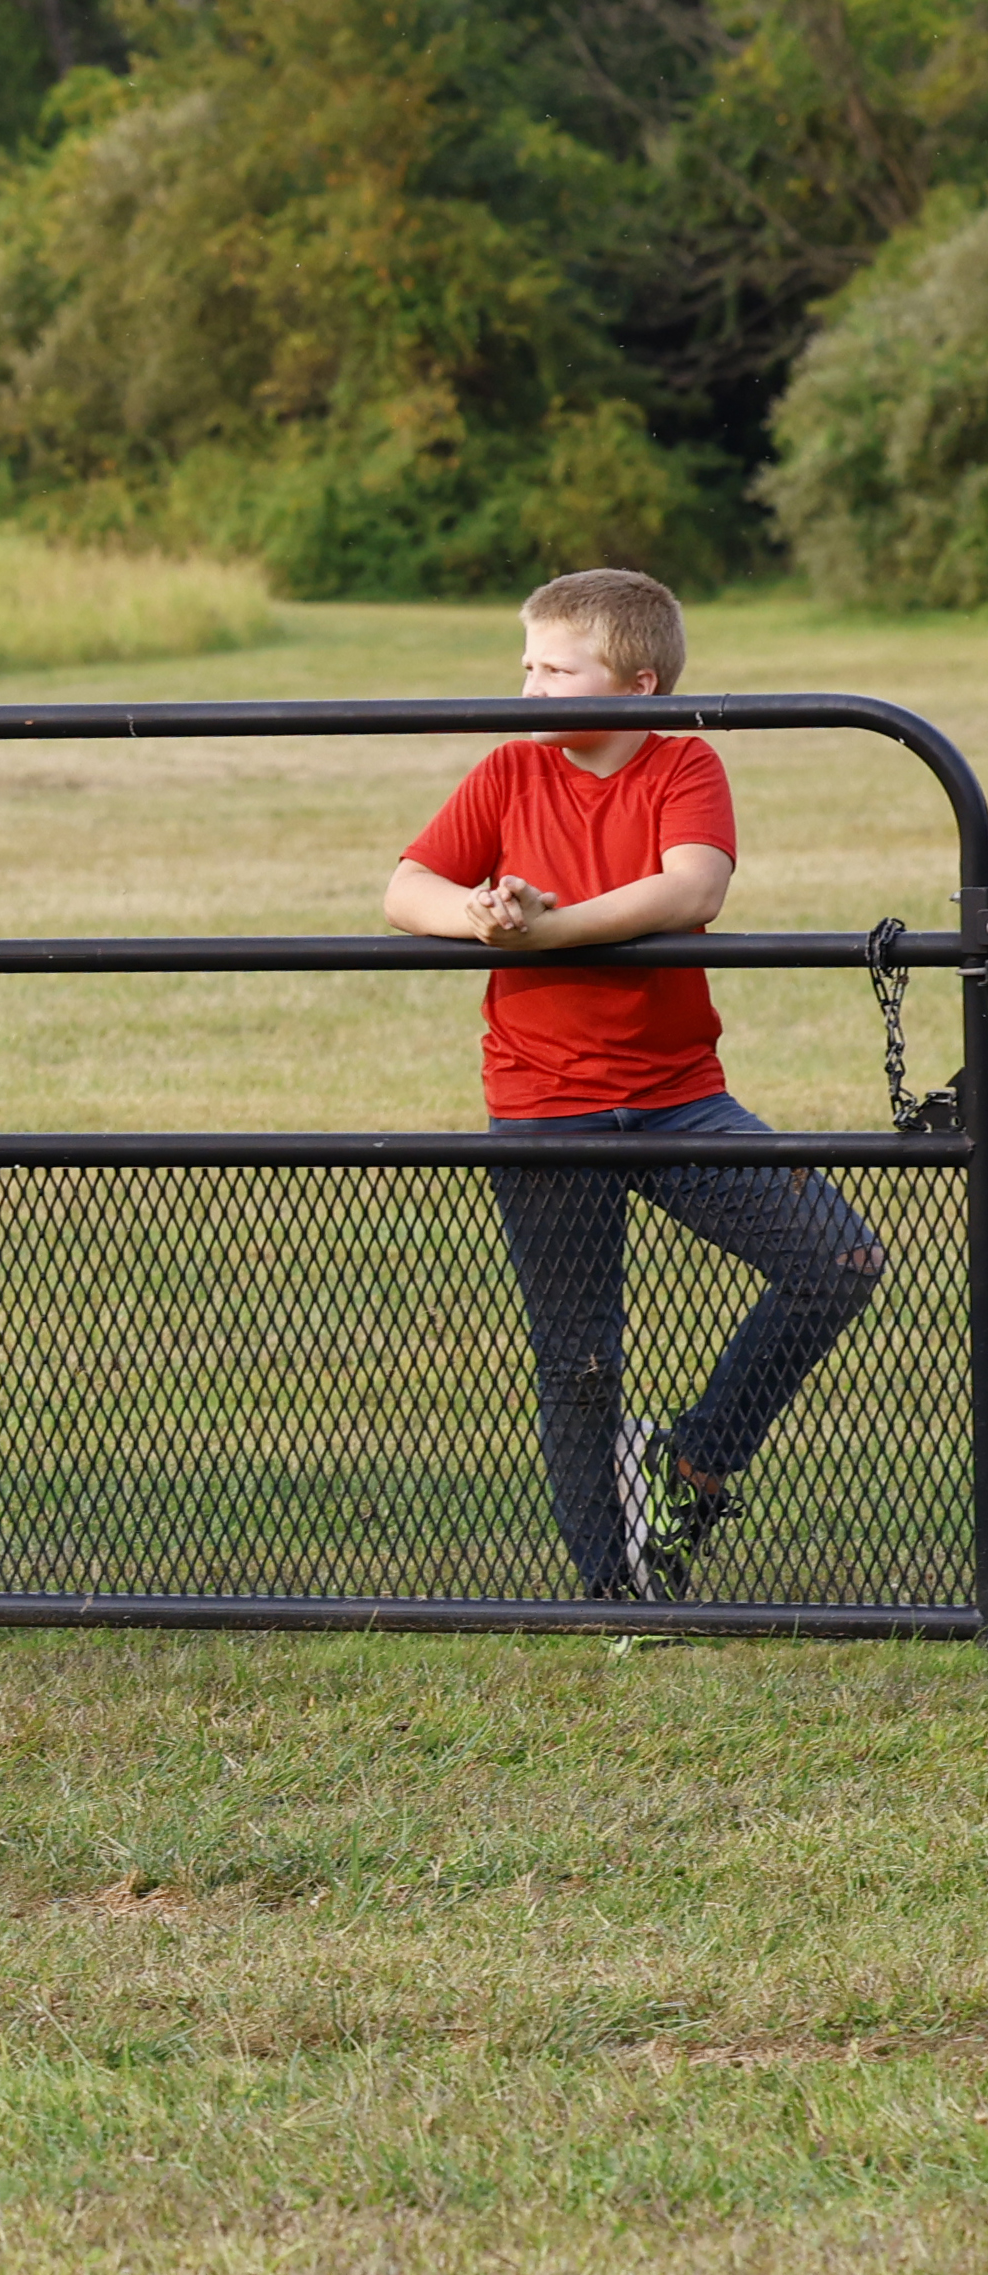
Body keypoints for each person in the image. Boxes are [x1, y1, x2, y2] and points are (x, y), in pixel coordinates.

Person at [383, 567, 882, 1599]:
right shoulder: (507, 769)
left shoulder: (681, 763)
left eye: (555, 671)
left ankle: (691, 1459)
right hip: (539, 1104)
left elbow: (690, 882)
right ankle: (609, 1589)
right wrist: (480, 916)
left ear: (639, 684)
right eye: (522, 666)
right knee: (577, 1362)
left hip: (675, 1095)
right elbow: (403, 888)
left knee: (836, 1258)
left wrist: (547, 929)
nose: (526, 690)